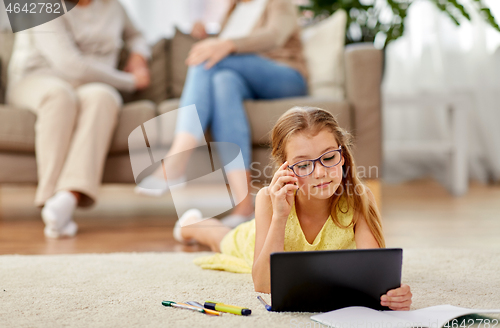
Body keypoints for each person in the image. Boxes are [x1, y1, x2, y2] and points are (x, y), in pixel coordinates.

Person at [173, 106, 413, 311]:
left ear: (343, 154)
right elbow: (264, 284)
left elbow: (375, 277)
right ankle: (190, 225)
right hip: (260, 241)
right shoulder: (269, 199)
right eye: (303, 164)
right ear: (284, 168)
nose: (320, 173)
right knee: (221, 240)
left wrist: (393, 294)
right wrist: (279, 216)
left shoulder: (360, 199)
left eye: (328, 158)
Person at [135, 0, 308, 228]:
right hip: (241, 78)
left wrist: (223, 44)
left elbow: (274, 35)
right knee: (222, 82)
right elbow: (231, 47)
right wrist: (208, 37)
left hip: (285, 75)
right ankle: (244, 205)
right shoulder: (233, 9)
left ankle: (177, 159)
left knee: (207, 57)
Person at [6, 0, 151, 238]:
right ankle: (49, 198)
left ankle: (67, 198)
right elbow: (71, 65)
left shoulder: (112, 6)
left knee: (103, 97)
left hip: (92, 84)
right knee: (60, 97)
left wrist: (139, 55)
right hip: (37, 78)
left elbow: (136, 35)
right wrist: (131, 82)